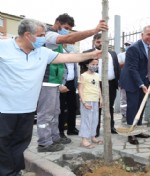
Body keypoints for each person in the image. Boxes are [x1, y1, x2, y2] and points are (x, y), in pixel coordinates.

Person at [0, 18, 104, 176]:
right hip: (4, 109)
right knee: (3, 144)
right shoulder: (3, 47)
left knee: (20, 143)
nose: (44, 37)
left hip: (27, 109)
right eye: (41, 35)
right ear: (28, 35)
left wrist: (93, 54)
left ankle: (14, 171)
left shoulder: (42, 52)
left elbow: (69, 58)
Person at [36, 13, 107, 153]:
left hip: (54, 82)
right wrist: (94, 30)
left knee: (55, 112)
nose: (67, 31)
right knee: (46, 114)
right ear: (57, 23)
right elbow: (68, 38)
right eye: (66, 27)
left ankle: (54, 138)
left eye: (69, 28)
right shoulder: (49, 35)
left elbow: (67, 57)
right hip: (46, 81)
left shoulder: (58, 43)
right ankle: (44, 143)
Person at [119, 25, 150, 145]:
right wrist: (141, 84)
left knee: (141, 106)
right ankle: (131, 134)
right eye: (148, 34)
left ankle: (138, 130)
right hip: (132, 82)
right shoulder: (134, 48)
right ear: (142, 35)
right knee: (133, 107)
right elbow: (132, 69)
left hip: (144, 81)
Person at [83, 33, 121, 136]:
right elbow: (83, 68)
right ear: (94, 42)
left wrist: (119, 81)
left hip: (112, 84)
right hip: (96, 85)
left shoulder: (113, 54)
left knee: (110, 106)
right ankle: (95, 129)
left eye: (103, 41)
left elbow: (117, 68)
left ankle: (110, 127)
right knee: (97, 107)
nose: (100, 44)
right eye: (98, 42)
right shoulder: (88, 53)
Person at [78, 58, 103, 149]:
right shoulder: (83, 75)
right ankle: (84, 140)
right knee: (86, 120)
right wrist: (84, 102)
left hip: (95, 100)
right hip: (87, 100)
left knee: (94, 119)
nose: (95, 66)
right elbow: (80, 89)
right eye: (93, 64)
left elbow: (98, 87)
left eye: (96, 65)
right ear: (87, 65)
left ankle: (93, 137)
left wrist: (101, 98)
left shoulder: (97, 75)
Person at [58, 44, 79, 140]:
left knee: (73, 106)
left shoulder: (72, 49)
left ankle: (71, 128)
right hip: (62, 83)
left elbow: (74, 67)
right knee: (61, 108)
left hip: (71, 83)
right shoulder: (58, 49)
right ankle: (60, 131)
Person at [117, 41, 133, 123]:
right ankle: (124, 114)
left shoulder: (135, 55)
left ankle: (131, 114)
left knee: (132, 98)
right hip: (123, 79)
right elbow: (118, 65)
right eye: (126, 45)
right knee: (123, 98)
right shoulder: (121, 55)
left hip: (133, 80)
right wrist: (127, 62)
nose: (127, 46)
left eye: (129, 45)